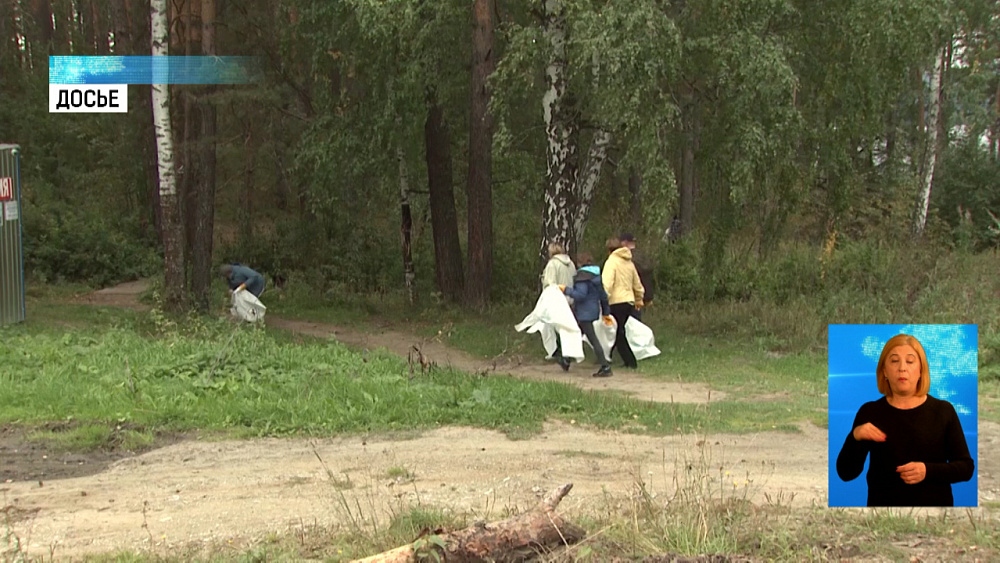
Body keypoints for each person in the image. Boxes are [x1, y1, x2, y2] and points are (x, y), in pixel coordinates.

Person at [835, 334, 974, 507]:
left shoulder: (943, 411)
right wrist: (855, 437)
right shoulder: (869, 412)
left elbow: (966, 468)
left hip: (934, 514)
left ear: (921, 370)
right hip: (883, 515)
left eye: (910, 361)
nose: (902, 368)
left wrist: (927, 471)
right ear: (884, 371)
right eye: (894, 361)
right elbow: (846, 473)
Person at [559, 252, 614, 377]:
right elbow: (603, 296)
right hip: (593, 310)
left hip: (584, 312)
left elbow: (580, 295)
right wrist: (606, 313)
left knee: (592, 338)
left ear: (579, 263)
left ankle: (605, 366)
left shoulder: (582, 277)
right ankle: (566, 359)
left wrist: (566, 290)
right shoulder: (596, 276)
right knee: (576, 333)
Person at [602, 237, 644, 369]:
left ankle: (630, 361)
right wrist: (638, 299)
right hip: (629, 301)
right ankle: (609, 357)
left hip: (616, 301)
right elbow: (637, 284)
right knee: (618, 330)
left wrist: (603, 299)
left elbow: (607, 283)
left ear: (609, 250)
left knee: (617, 332)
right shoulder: (629, 263)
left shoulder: (611, 262)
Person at [541, 243, 577, 371]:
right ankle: (567, 354)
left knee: (553, 327)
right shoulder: (571, 263)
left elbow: (550, 283)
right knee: (565, 328)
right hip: (570, 298)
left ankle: (561, 355)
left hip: (558, 299)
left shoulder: (552, 264)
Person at [619, 233, 655, 320]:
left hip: (628, 296)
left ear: (623, 243)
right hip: (635, 296)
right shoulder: (640, 256)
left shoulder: (624, 256)